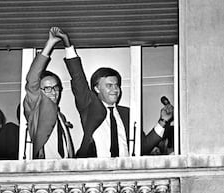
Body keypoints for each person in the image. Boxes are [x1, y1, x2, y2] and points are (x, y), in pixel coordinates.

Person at [52, 27, 173, 158]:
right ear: (97, 88)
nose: (115, 90)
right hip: (95, 171)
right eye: (109, 85)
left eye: (117, 85)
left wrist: (163, 121)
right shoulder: (89, 107)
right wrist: (67, 44)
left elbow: (142, 147)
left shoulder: (127, 114)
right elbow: (78, 78)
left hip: (123, 173)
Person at [23, 27, 75, 159]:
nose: (53, 92)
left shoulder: (60, 117)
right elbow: (32, 78)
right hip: (46, 170)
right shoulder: (36, 109)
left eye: (55, 87)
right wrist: (50, 44)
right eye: (47, 88)